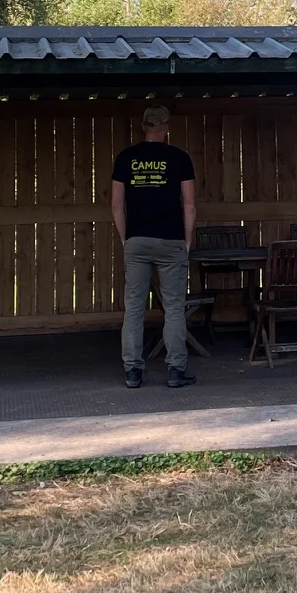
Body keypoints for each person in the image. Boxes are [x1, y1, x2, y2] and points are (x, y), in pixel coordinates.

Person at [110, 104, 197, 389]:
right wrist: (187, 240)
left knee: (134, 307)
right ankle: (175, 371)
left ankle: (133, 372)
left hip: (137, 240)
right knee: (174, 308)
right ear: (166, 127)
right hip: (171, 239)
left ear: (144, 126)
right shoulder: (179, 158)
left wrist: (126, 239)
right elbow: (189, 205)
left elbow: (116, 205)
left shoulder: (126, 158)